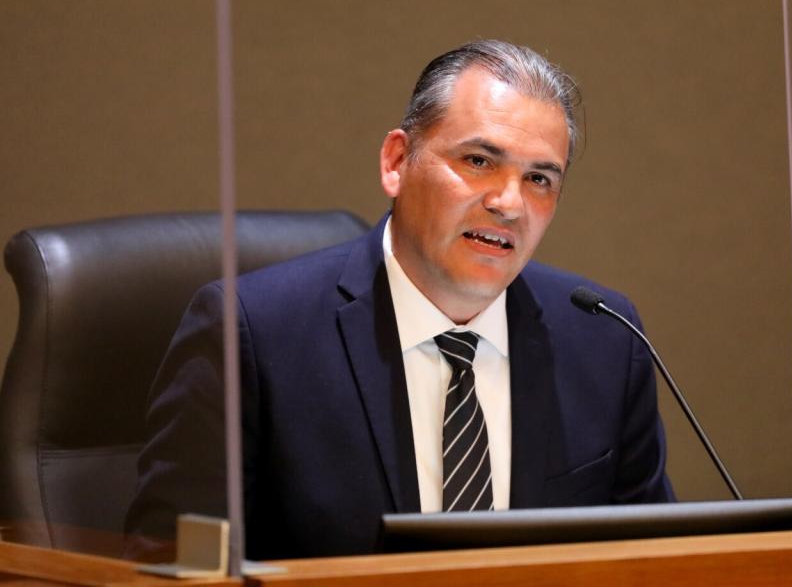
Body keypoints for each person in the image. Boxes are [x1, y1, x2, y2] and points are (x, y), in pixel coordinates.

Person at [125, 40, 674, 560]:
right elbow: (175, 568)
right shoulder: (252, 334)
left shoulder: (603, 338)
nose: (509, 203)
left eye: (539, 179)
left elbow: (655, 567)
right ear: (396, 161)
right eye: (479, 161)